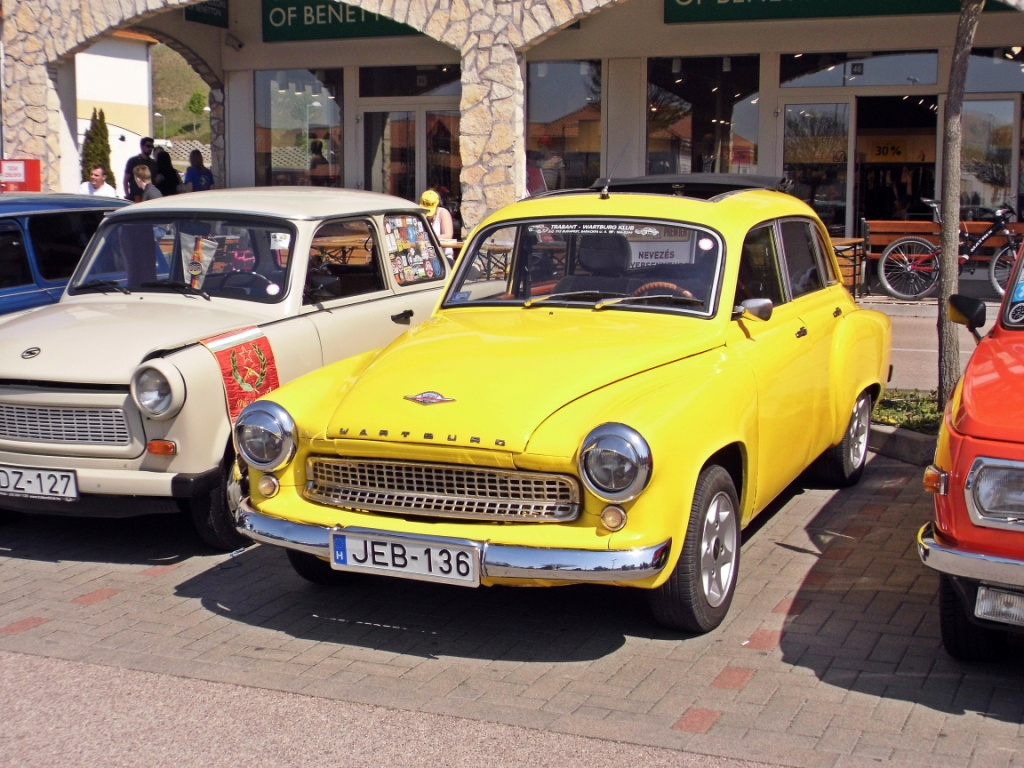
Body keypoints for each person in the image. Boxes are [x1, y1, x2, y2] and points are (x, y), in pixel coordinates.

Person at [419, 189, 454, 259]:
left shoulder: (443, 213)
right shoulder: (418, 215)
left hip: (443, 257)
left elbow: (448, 235)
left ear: (437, 205)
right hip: (424, 257)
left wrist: (427, 238)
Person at [123, 137, 159, 202]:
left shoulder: (153, 163)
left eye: (152, 146)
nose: (150, 148)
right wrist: (127, 194)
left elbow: (154, 179)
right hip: (135, 196)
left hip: (149, 195)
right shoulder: (133, 161)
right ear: (142, 146)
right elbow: (126, 180)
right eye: (148, 146)